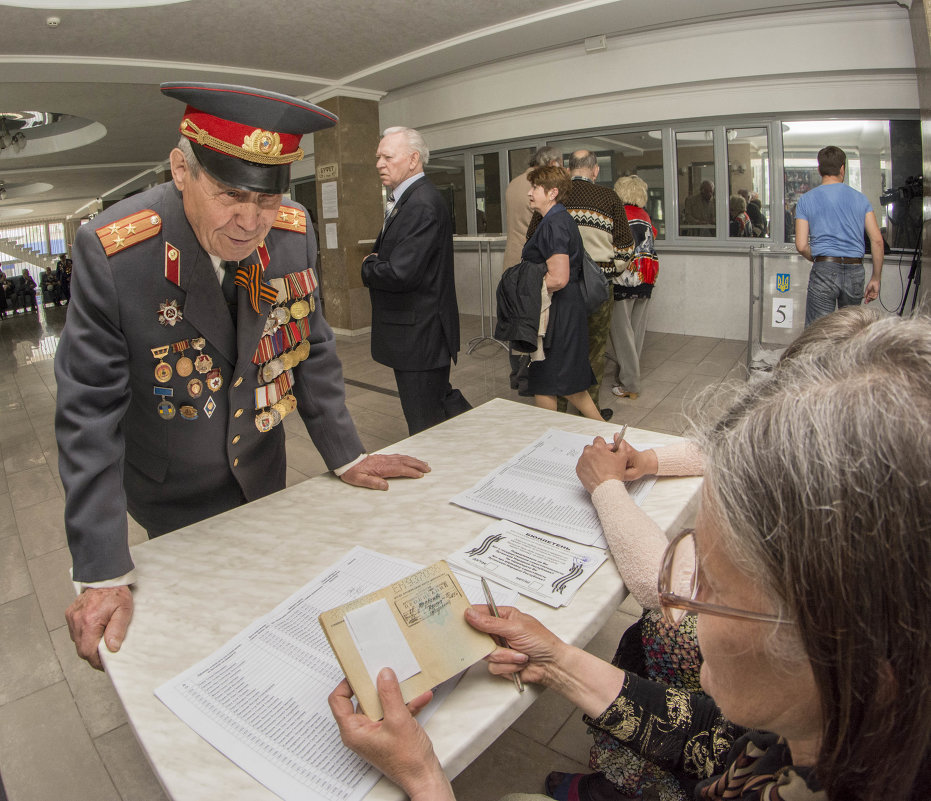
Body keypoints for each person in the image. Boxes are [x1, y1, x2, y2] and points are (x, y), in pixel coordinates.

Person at [331, 313, 931, 801]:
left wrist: (425, 779)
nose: (680, 606)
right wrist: (560, 661)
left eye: (712, 589)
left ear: (847, 657)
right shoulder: (836, 731)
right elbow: (717, 740)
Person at [57, 82, 430, 670]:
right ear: (183, 170)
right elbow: (88, 412)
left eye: (266, 199)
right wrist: (101, 568)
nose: (251, 222)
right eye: (231, 195)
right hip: (169, 484)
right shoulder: (116, 251)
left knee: (269, 613)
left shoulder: (291, 229)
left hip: (262, 463)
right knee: (196, 637)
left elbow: (311, 346)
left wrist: (347, 455)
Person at [362, 126, 471, 436]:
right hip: (417, 332)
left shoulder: (421, 203)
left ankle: (450, 467)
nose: (379, 163)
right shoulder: (410, 199)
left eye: (387, 156)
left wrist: (368, 266)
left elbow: (401, 272)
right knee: (433, 405)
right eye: (378, 157)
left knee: (425, 424)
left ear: (412, 160)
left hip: (420, 333)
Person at [528, 150, 634, 421]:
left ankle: (561, 415)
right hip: (597, 289)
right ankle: (589, 419)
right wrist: (606, 271)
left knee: (557, 352)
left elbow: (533, 239)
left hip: (558, 291)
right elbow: (626, 247)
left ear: (568, 169)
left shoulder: (556, 200)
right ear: (595, 170)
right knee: (593, 353)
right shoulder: (609, 197)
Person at [521, 165, 603, 421]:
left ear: (552, 192)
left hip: (558, 312)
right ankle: (611, 439)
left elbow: (558, 277)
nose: (529, 193)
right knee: (571, 385)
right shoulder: (559, 219)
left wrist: (524, 287)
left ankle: (549, 446)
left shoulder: (555, 223)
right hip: (567, 308)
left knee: (545, 381)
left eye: (535, 188)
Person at [794, 145, 884, 326]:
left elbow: (801, 245)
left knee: (818, 333)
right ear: (842, 168)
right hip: (855, 270)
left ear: (819, 169)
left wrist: (823, 259)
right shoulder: (861, 199)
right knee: (849, 331)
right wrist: (876, 278)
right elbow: (877, 240)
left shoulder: (806, 200)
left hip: (824, 269)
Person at [504, 146, 562, 392]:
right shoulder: (541, 188)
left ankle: (516, 372)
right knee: (534, 319)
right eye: (558, 165)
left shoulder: (513, 183)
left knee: (516, 317)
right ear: (549, 163)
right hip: (533, 262)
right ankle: (529, 377)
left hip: (511, 259)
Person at [607, 175, 658, 402]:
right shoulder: (645, 216)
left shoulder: (620, 216)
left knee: (622, 333)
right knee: (635, 332)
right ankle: (628, 377)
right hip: (647, 277)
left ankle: (630, 383)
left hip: (624, 279)